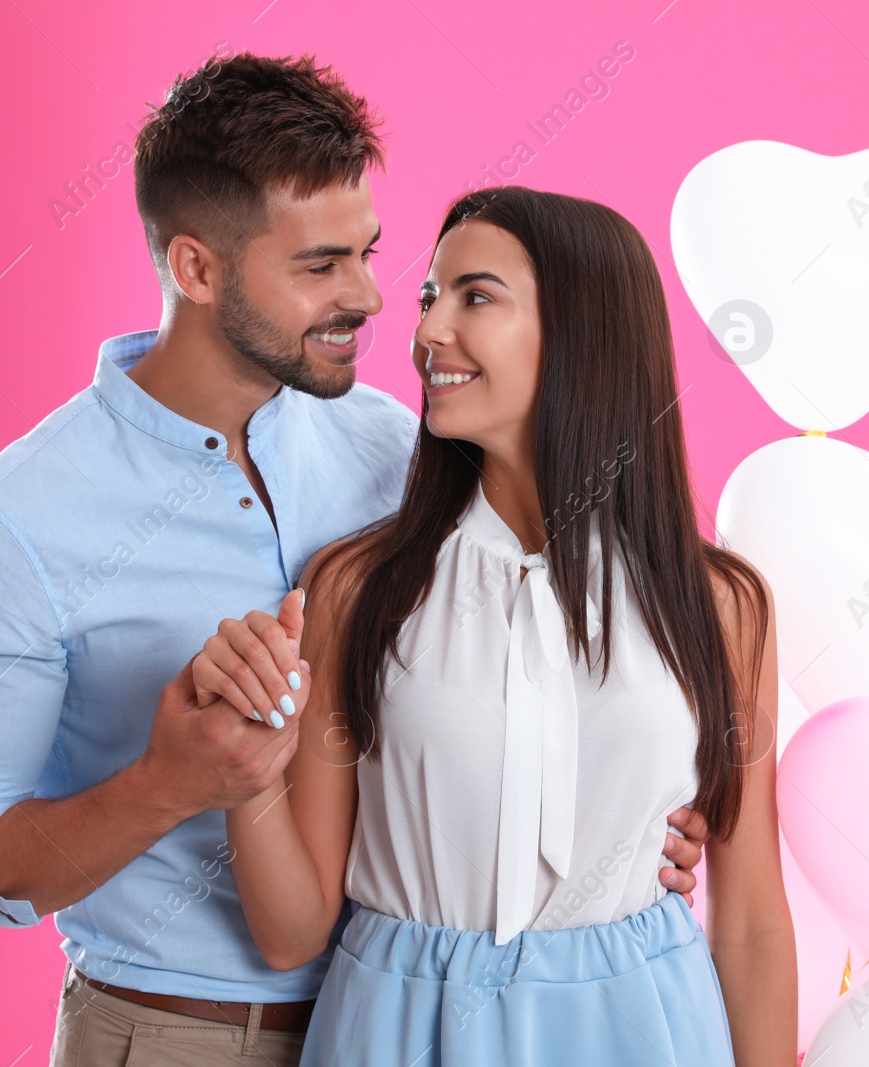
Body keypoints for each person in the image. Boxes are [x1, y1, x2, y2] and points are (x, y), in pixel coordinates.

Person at [0, 53, 707, 1067]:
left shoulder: (404, 452)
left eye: (367, 252)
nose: (369, 296)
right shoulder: (15, 523)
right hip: (177, 1032)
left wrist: (629, 822)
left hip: (420, 1022)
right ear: (195, 268)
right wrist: (161, 783)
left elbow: (522, 672)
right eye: (320, 265)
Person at [191, 186, 798, 1065]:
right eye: (430, 298)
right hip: (398, 1032)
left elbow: (748, 925)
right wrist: (241, 768)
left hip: (644, 1028)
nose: (427, 331)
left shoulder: (722, 606)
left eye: (474, 296)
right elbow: (292, 934)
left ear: (585, 333)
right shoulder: (356, 590)